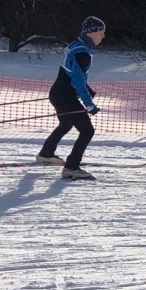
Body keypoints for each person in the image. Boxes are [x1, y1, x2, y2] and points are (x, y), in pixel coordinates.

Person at [37, 16, 106, 180]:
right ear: (92, 33)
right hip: (66, 98)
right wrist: (89, 104)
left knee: (66, 123)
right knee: (87, 130)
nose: (103, 36)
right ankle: (72, 167)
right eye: (101, 33)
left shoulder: (78, 45)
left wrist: (88, 90)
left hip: (59, 94)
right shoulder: (83, 52)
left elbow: (74, 74)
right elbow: (77, 81)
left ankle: (46, 154)